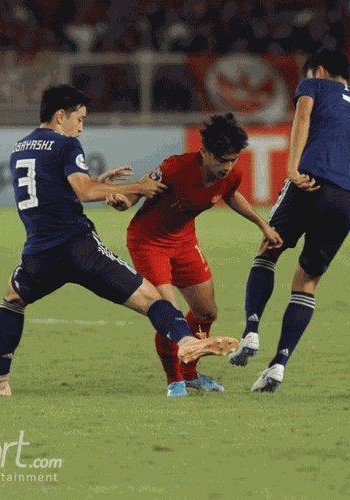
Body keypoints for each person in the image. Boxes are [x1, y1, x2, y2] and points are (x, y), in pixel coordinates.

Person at [0, 85, 239, 397]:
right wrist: (139, 185)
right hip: (79, 248)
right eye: (79, 119)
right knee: (151, 299)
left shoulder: (20, 148)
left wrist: (98, 182)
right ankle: (187, 341)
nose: (81, 126)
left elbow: (54, 188)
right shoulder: (67, 144)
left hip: (40, 253)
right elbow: (82, 192)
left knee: (13, 300)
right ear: (60, 116)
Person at [227, 49, 350, 392]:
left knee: (268, 251)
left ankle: (251, 330)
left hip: (308, 182)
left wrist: (292, 167)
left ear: (321, 70)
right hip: (346, 200)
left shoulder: (315, 85)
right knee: (306, 280)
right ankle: (278, 365)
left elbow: (303, 117)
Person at [106, 114, 283, 397]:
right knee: (171, 315)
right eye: (221, 160)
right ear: (204, 152)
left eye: (233, 160)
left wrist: (262, 224)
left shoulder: (232, 174)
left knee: (206, 312)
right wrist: (123, 200)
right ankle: (173, 380)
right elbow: (144, 187)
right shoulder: (176, 167)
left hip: (185, 241)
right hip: (149, 242)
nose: (227, 167)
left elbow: (231, 193)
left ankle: (190, 375)